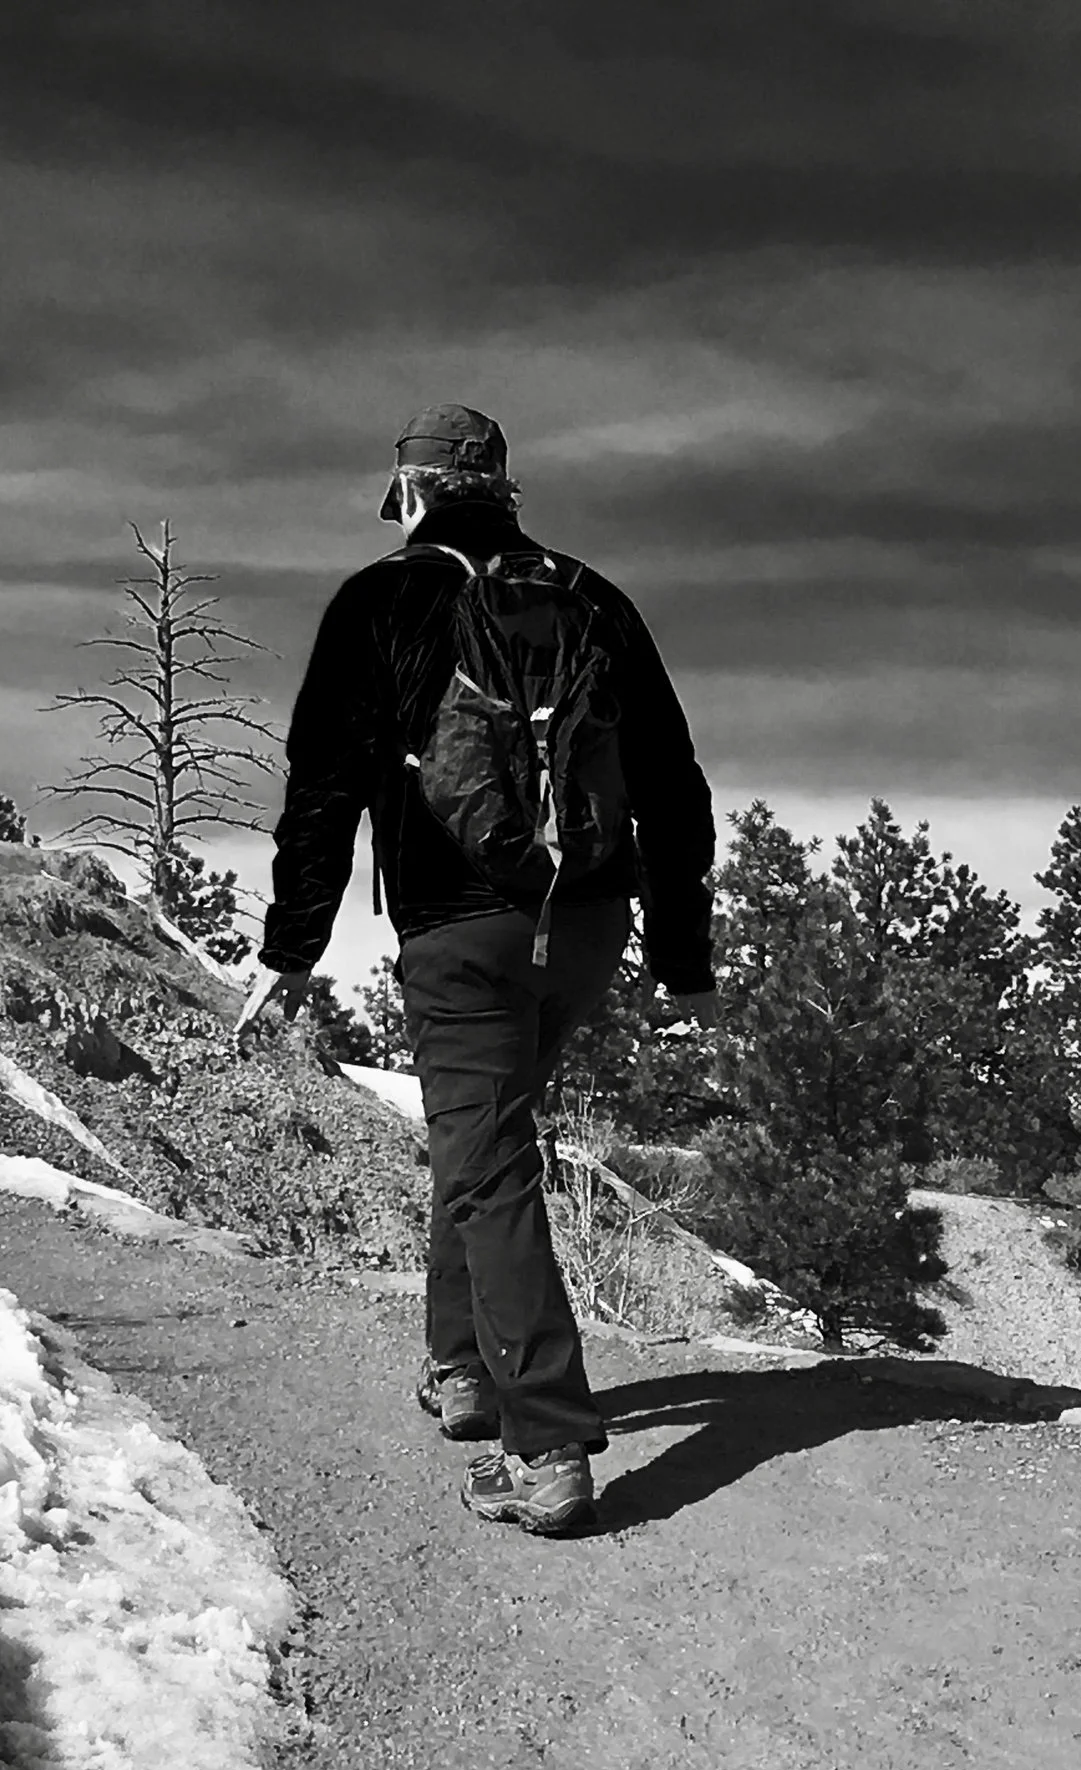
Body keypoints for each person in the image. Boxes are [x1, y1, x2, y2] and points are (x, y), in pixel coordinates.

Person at [237, 404, 718, 1535]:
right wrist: (684, 956)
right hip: (586, 925)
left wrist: (290, 946)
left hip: (459, 932)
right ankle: (462, 1372)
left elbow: (323, 788)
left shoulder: (382, 600)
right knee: (486, 1137)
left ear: (407, 492)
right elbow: (672, 783)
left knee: (488, 1161)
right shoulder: (593, 596)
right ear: (504, 487)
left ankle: (545, 1443)